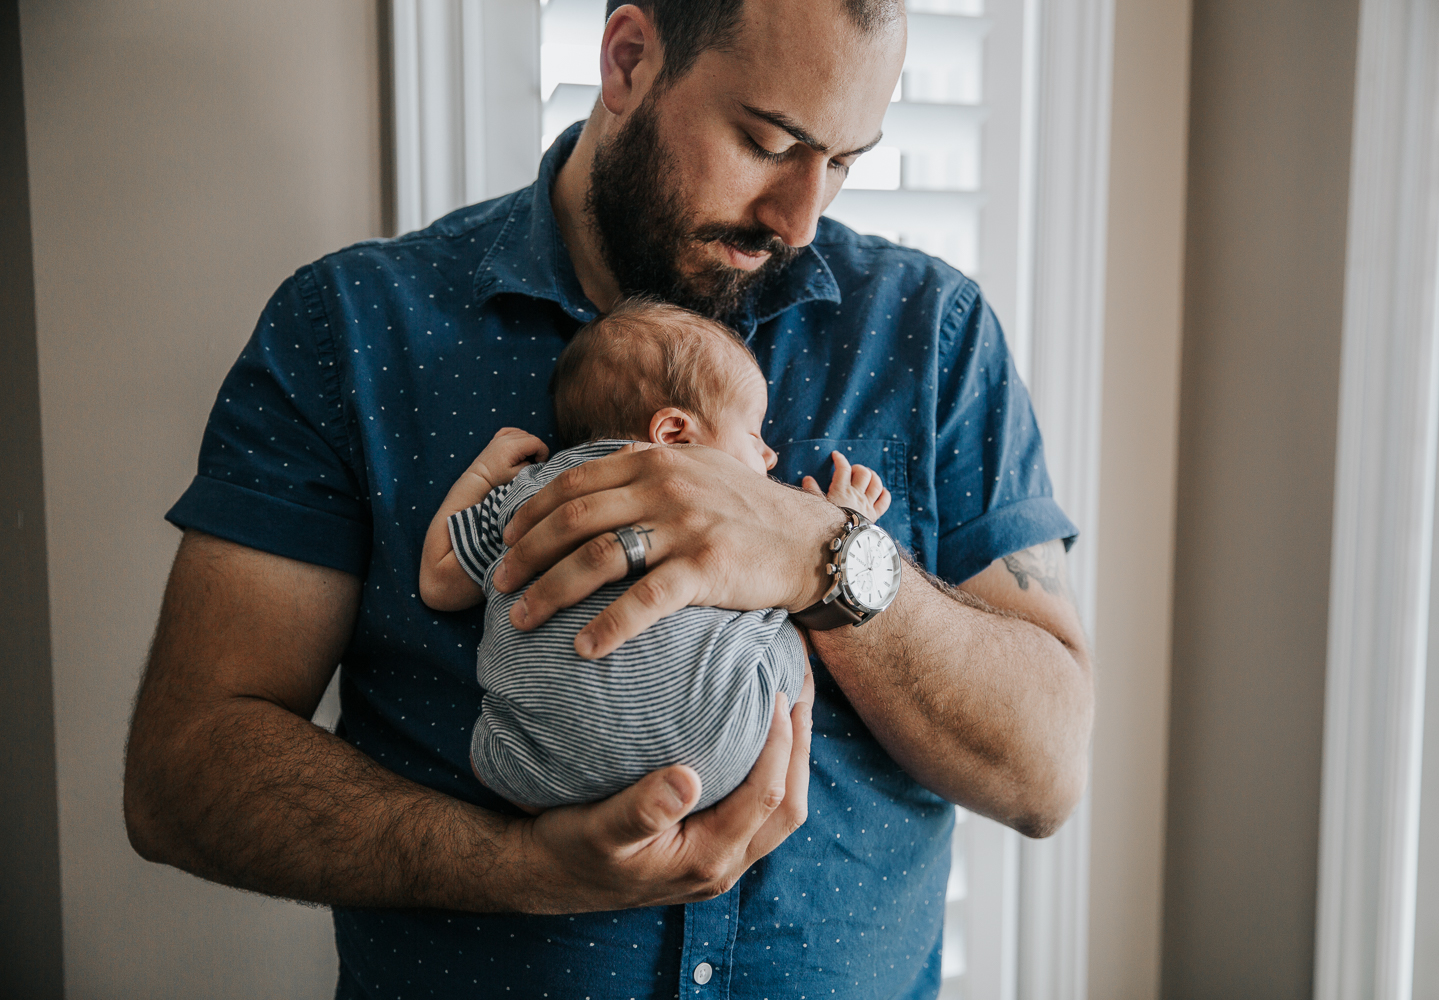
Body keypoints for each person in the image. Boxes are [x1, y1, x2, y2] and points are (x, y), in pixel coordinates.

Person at [123, 1, 1094, 997]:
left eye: (843, 161)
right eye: (768, 142)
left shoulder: (931, 338)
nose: (802, 218)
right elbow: (185, 769)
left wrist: (822, 554)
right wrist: (517, 871)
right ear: (629, 59)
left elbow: (1046, 764)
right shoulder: (355, 330)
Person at [420, 298, 890, 813]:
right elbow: (808, 574)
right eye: (755, 434)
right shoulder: (744, 514)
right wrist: (844, 525)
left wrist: (484, 476)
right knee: (786, 605)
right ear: (673, 434)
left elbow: (440, 583)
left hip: (528, 767)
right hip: (714, 755)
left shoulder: (531, 493)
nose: (772, 456)